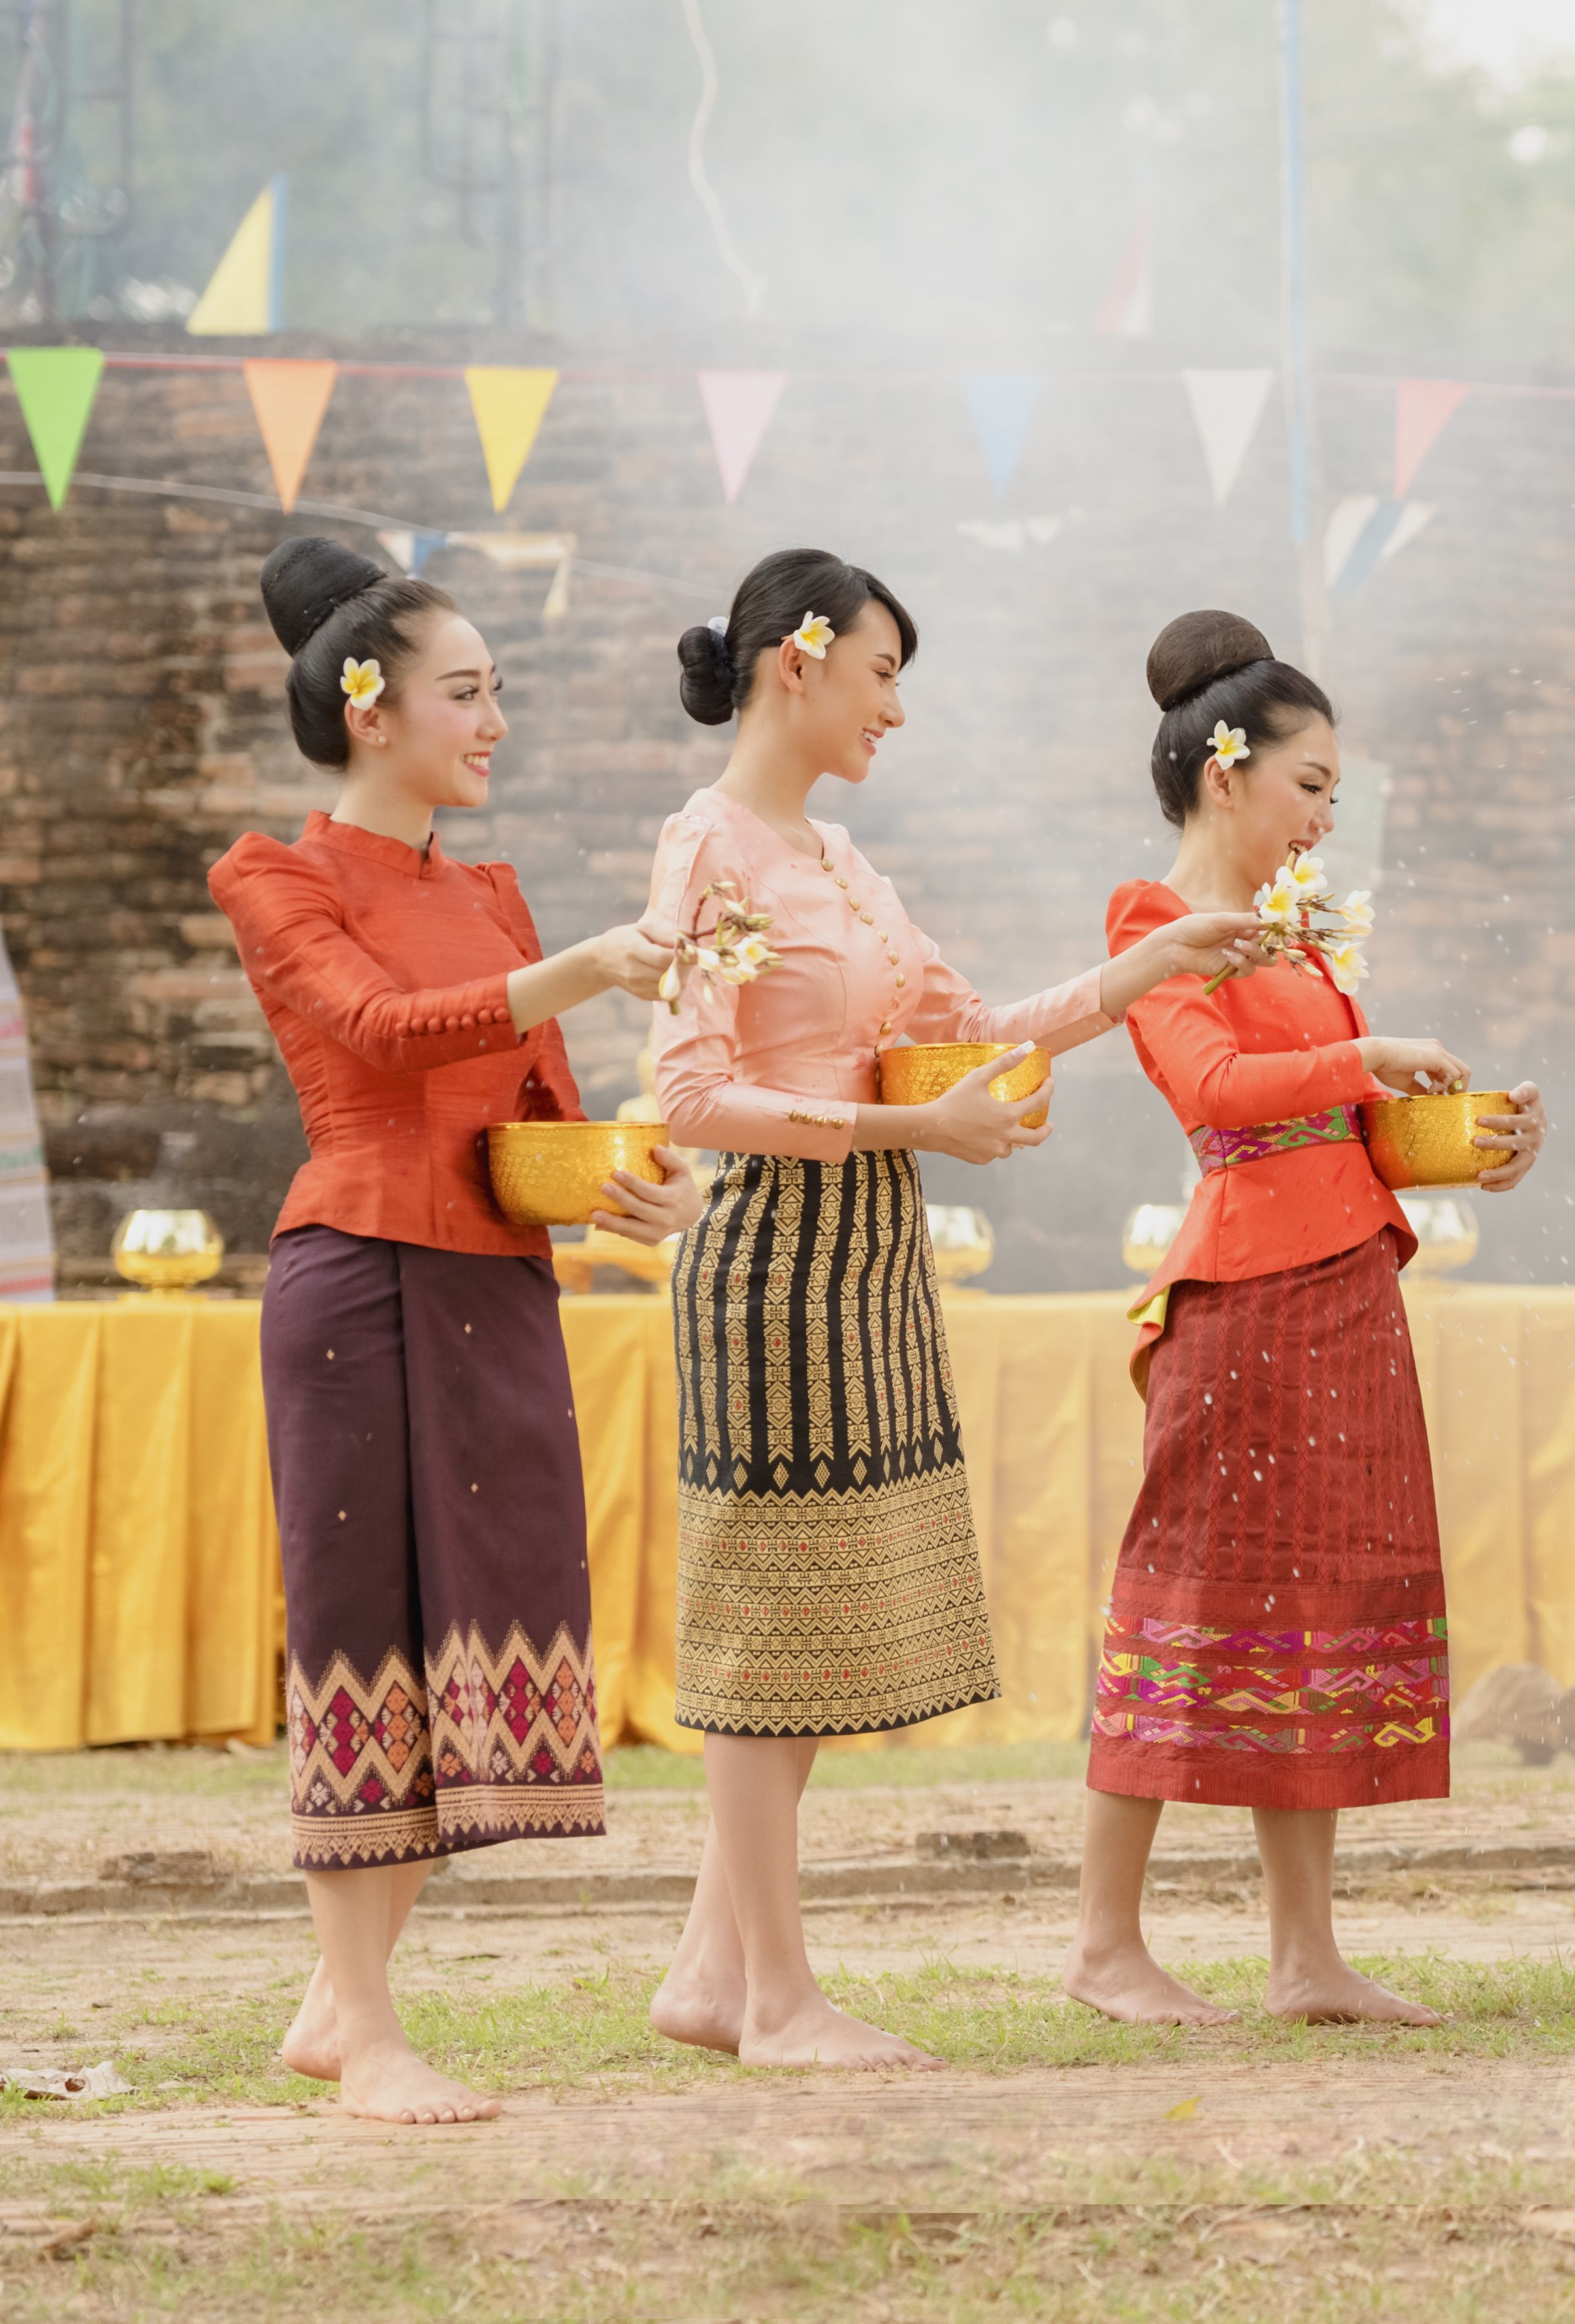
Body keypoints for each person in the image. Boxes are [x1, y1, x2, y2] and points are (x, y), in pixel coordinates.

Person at [638, 550, 1259, 2070]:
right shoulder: (709, 846)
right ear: (800, 664)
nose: (894, 710)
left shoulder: (842, 862)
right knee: (764, 1638)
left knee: (817, 1635)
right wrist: (926, 1135)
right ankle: (776, 2001)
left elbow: (968, 1028)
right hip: (774, 1268)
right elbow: (689, 1093)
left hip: (865, 1259)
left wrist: (1146, 966)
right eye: (882, 673)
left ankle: (716, 1976)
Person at [212, 536, 705, 2124]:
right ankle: (365, 2030)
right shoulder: (273, 878)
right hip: (357, 1283)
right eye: (469, 692)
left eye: (499, 692)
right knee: (369, 1636)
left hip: (493, 1286)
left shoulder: (488, 888)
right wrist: (574, 970)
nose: (496, 721)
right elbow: (376, 1032)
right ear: (373, 713)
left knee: (484, 1631)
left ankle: (329, 2005)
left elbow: (530, 1114)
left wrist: (619, 1184)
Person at [1064, 611, 1546, 2028]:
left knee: (1314, 1611)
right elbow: (1214, 1094)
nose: (1328, 816)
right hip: (1243, 1303)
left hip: (1340, 1292)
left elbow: (1336, 1123)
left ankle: (1304, 1957)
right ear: (1227, 776)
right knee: (1185, 1604)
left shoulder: (1290, 935)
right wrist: (1366, 1052)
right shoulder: (1150, 923)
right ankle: (1104, 1945)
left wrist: (1457, 1138)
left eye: (1336, 790)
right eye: (1312, 785)